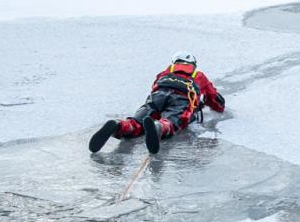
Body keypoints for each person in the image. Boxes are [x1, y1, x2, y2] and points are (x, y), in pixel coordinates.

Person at [88, 53, 225, 155]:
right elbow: (216, 101)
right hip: (181, 99)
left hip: (158, 95)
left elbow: (154, 86)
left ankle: (119, 126)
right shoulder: (198, 75)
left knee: (137, 121)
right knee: (173, 121)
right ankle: (159, 127)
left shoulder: (165, 72)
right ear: (193, 64)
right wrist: (204, 102)